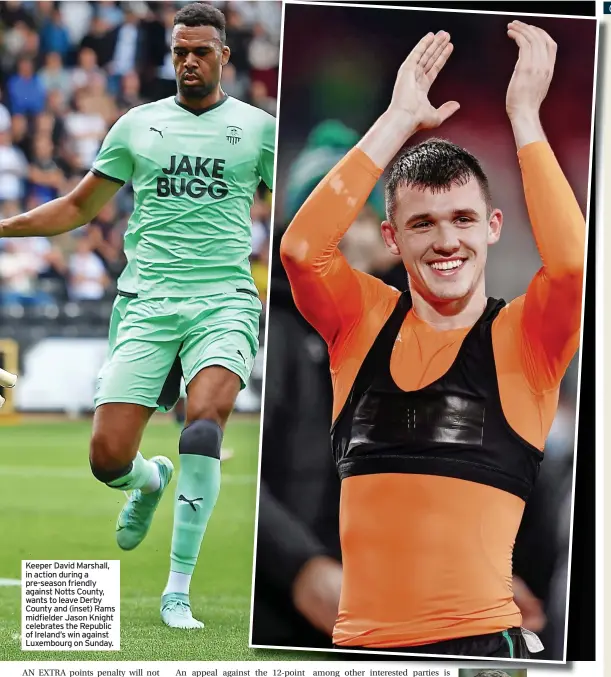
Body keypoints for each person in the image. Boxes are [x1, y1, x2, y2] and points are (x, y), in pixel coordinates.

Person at [280, 24, 584, 658]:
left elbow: (576, 267)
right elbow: (303, 251)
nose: (446, 241)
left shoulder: (525, 338)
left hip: (478, 654)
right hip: (356, 650)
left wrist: (526, 120)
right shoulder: (362, 323)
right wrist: (396, 120)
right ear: (392, 240)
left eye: (463, 219)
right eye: (422, 223)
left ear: (493, 227)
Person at [0, 2, 275, 630]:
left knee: (203, 424)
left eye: (200, 51)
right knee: (106, 458)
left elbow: (295, 208)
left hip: (223, 300)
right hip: (146, 303)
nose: (187, 61)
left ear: (224, 56)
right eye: (179, 50)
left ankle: (176, 591)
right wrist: (5, 227)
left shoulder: (259, 130)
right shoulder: (136, 125)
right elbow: (77, 208)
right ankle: (149, 482)